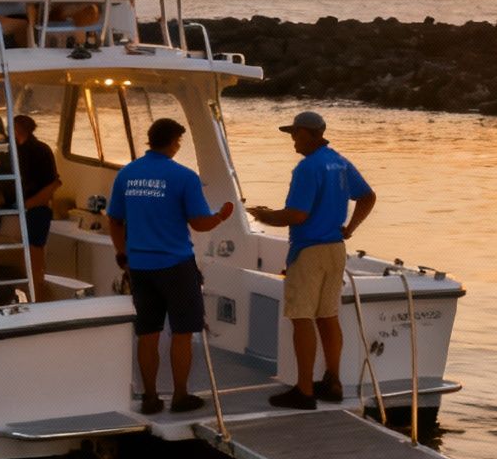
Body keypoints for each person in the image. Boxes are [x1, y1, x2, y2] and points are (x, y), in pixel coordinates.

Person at [246, 111, 375, 410]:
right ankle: (333, 381)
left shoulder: (307, 168)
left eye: (295, 133)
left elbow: (298, 215)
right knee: (327, 316)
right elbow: (368, 196)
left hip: (309, 250)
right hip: (335, 248)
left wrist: (265, 216)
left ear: (307, 133)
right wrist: (350, 229)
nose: (292, 139)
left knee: (302, 317)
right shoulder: (339, 162)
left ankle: (304, 391)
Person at [108, 118, 237, 415]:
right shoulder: (183, 177)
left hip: (139, 267)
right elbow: (199, 223)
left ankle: (150, 398)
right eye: (179, 141)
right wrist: (221, 216)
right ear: (174, 141)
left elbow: (114, 220)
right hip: (176, 265)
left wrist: (122, 254)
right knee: (182, 331)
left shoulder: (127, 175)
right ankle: (180, 396)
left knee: (148, 333)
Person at [11, 114, 59, 300]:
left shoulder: (34, 150)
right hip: (33, 206)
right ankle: (36, 287)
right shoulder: (32, 149)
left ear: (18, 129)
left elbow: (53, 183)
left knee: (34, 250)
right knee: (34, 249)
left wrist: (26, 204)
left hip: (35, 207)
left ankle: (36, 290)